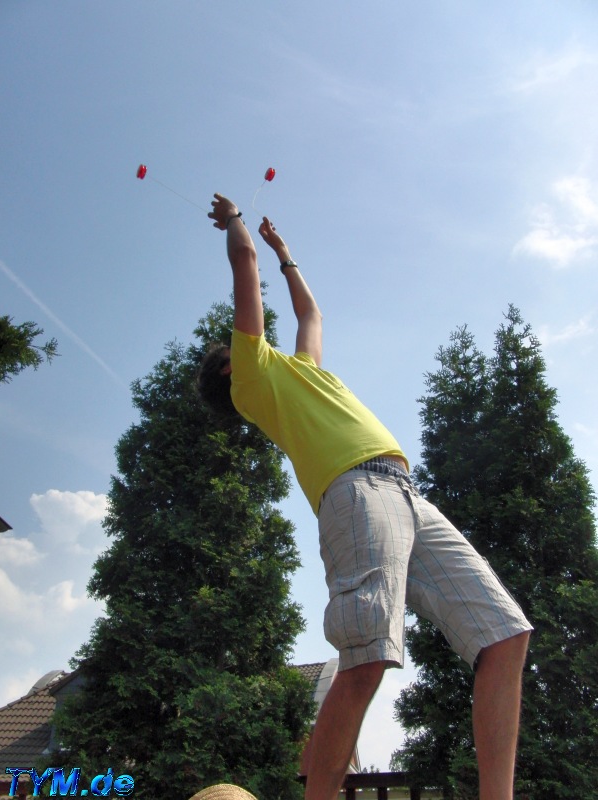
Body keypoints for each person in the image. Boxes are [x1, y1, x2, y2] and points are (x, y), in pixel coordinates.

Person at [200, 193, 533, 800]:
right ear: (229, 374)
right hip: (354, 491)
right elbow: (240, 260)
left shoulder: (302, 371)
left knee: (505, 633)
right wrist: (237, 222)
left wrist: (286, 254)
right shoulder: (253, 378)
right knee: (368, 652)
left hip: (405, 492)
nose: (254, 337)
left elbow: (313, 318)